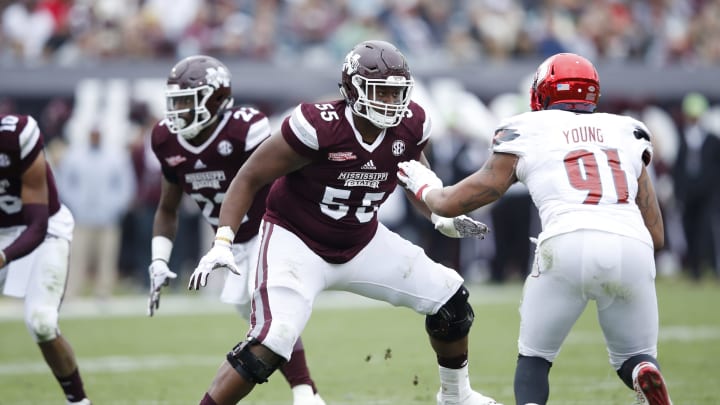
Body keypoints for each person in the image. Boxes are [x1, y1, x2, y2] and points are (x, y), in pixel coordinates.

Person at [188, 40, 500, 405]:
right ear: (352, 89)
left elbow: (416, 178)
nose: (390, 101)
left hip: (362, 241)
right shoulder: (318, 125)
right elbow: (247, 178)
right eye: (380, 91)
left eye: (397, 92)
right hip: (296, 241)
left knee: (451, 299)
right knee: (271, 340)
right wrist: (223, 241)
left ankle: (456, 396)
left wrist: (437, 214)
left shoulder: (411, 125)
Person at [396, 53, 672, 405]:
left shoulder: (528, 129)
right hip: (632, 243)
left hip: (566, 240)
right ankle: (640, 372)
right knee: (635, 355)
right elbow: (658, 234)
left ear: (542, 92)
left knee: (535, 359)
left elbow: (463, 198)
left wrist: (425, 189)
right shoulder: (626, 131)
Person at [147, 55, 325, 405]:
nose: (178, 111)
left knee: (270, 318)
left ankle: (305, 392)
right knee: (261, 319)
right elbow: (168, 206)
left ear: (215, 98)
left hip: (271, 227)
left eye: (187, 101)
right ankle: (306, 391)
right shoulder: (166, 139)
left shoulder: (245, 126)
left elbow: (280, 181)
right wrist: (158, 259)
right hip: (229, 243)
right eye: (175, 102)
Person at [0, 113, 91, 404]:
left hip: (43, 228)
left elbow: (37, 224)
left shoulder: (17, 137)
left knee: (41, 321)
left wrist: (3, 256)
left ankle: (78, 401)